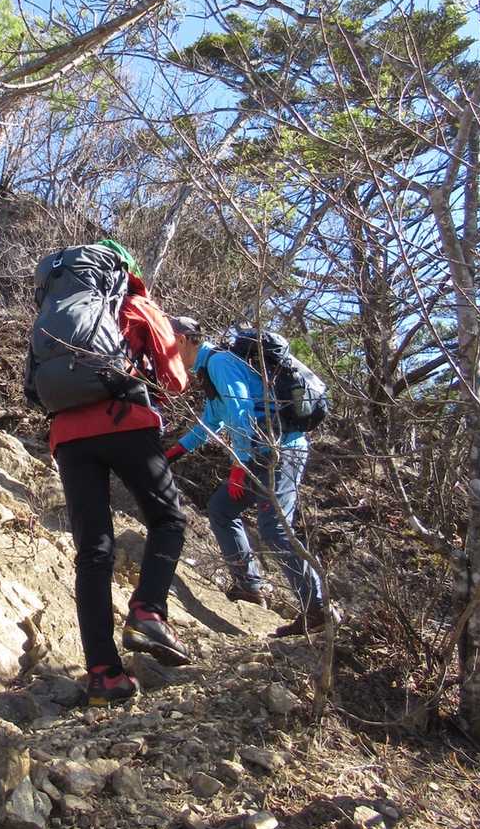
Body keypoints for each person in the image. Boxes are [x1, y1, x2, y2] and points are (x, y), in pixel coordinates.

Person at [47, 240, 194, 707]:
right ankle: (148, 612)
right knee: (169, 520)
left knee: (93, 553)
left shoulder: (54, 313)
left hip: (66, 435)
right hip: (125, 422)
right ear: (126, 271)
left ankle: (103, 676)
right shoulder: (135, 305)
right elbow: (175, 379)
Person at [166, 316, 328, 637]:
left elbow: (242, 413)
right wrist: (173, 452)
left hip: (281, 451)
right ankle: (249, 586)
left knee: (274, 528)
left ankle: (318, 608)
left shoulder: (220, 363)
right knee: (221, 509)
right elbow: (211, 422)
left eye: (166, 343)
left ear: (182, 340)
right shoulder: (209, 369)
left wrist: (239, 466)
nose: (164, 351)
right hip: (260, 453)